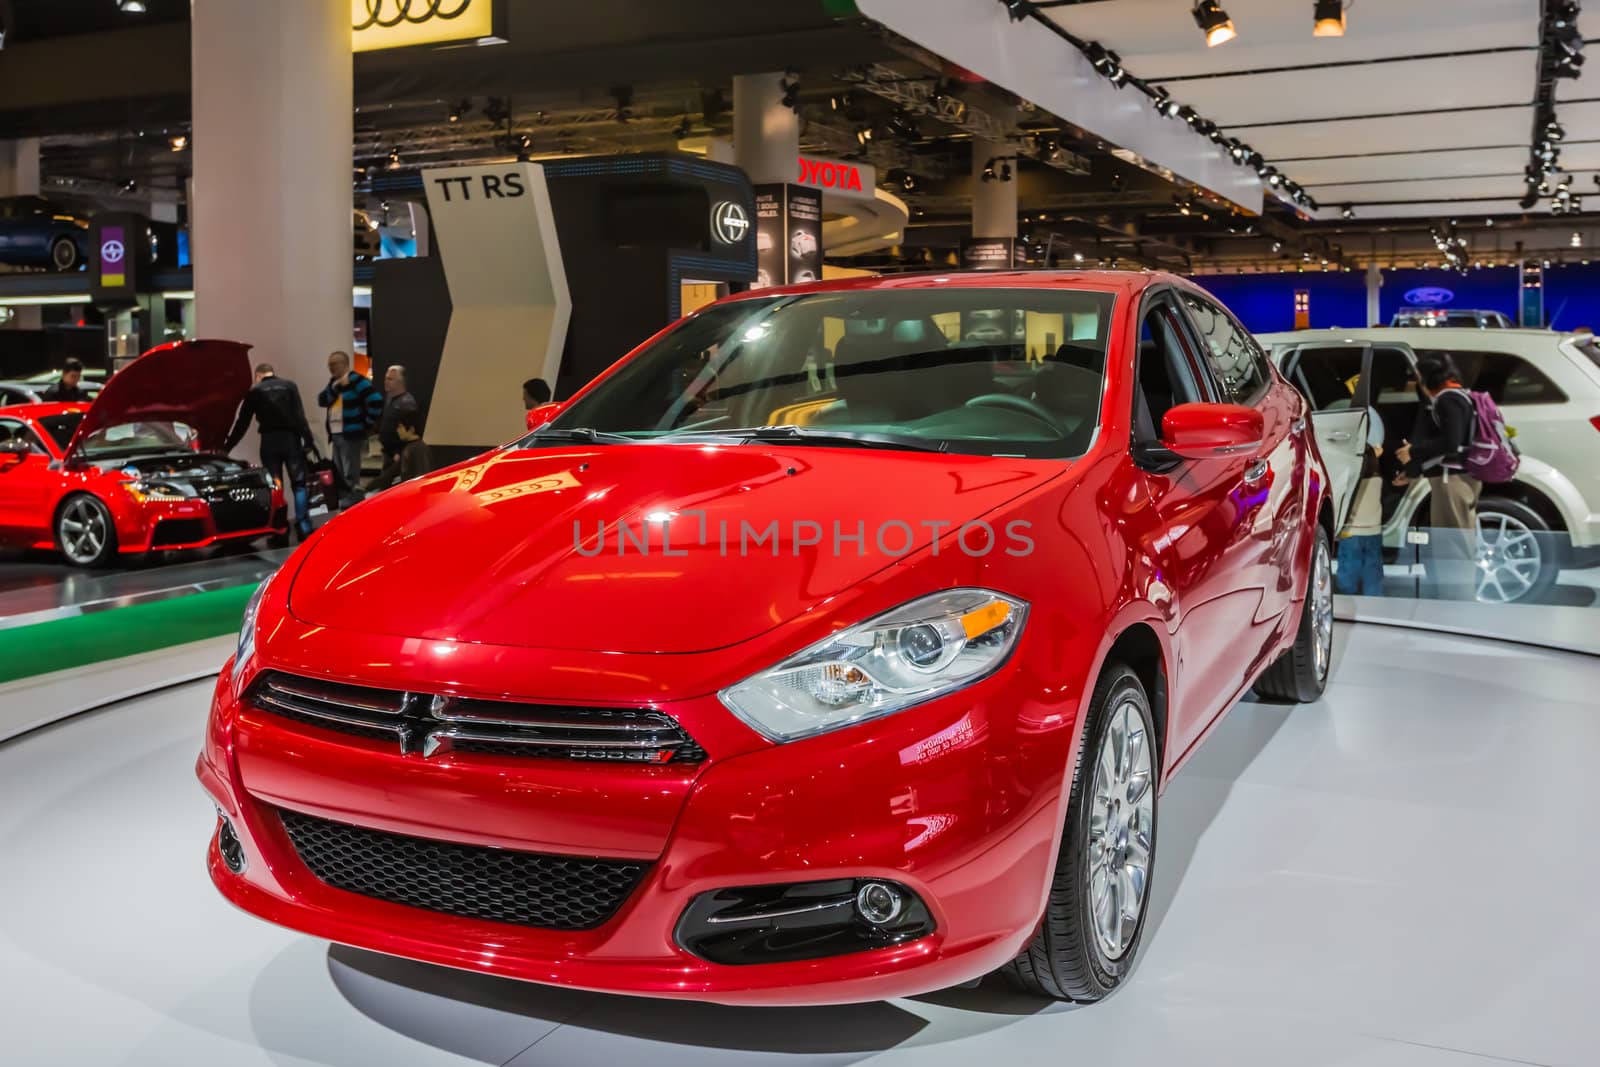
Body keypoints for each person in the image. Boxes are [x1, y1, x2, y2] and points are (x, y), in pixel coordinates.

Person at [1394, 352, 1479, 600]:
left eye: (1418, 376)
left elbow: (1452, 443)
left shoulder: (1447, 399)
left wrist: (1414, 451)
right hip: (1460, 478)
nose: (1416, 382)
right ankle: (1459, 597)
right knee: (1459, 539)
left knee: (1453, 543)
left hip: (1451, 480)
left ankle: (1457, 600)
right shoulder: (1460, 394)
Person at [224, 362, 314, 538]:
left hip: (269, 441)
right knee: (299, 484)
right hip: (291, 440)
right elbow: (300, 416)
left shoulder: (255, 391)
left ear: (258, 376)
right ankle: (304, 526)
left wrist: (227, 446)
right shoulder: (290, 386)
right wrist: (308, 441)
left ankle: (279, 528)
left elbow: (242, 422)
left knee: (275, 485)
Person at [316, 350, 383, 507]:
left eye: (334, 364)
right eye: (329, 364)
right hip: (336, 433)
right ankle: (345, 499)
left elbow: (376, 401)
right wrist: (336, 387)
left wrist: (366, 424)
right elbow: (322, 400)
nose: (330, 367)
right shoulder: (334, 382)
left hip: (351, 433)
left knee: (350, 470)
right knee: (339, 470)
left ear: (344, 364)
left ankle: (353, 501)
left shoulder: (357, 380)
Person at [1335, 408, 1386, 597]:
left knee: (1349, 572)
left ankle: (1348, 601)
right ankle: (1374, 602)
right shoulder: (1378, 479)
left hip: (1351, 532)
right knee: (1373, 572)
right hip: (1374, 531)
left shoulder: (1350, 480)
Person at [368, 408, 432, 491]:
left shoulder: (416, 449)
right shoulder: (412, 447)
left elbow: (422, 476)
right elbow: (392, 472)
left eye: (400, 427)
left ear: (411, 429)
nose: (398, 430)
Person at [376, 364, 419, 471]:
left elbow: (410, 432)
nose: (386, 382)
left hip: (399, 455)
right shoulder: (390, 399)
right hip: (388, 453)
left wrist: (399, 452)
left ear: (401, 381)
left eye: (390, 379)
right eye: (386, 378)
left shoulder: (407, 403)